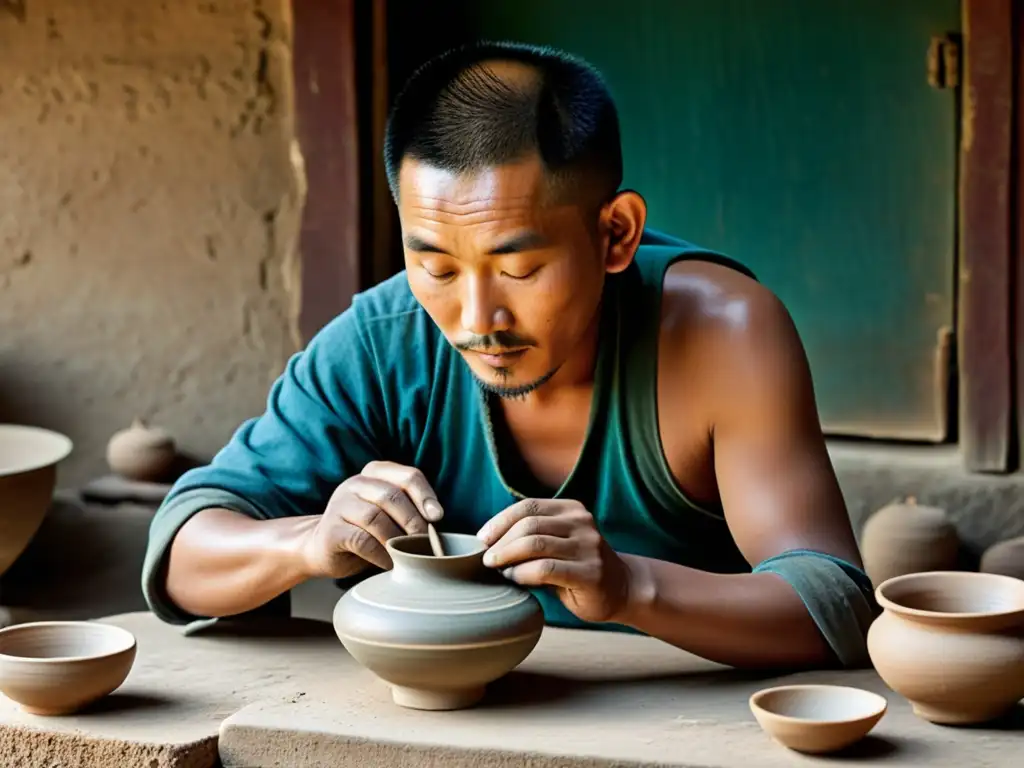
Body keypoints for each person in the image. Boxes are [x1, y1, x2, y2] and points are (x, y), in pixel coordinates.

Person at [141, 41, 874, 669]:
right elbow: (183, 553)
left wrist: (630, 589)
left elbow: (833, 603)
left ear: (616, 234)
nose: (475, 319)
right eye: (435, 265)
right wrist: (308, 543)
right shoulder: (383, 339)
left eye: (518, 269)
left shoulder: (724, 334)